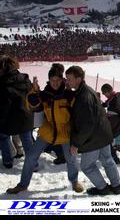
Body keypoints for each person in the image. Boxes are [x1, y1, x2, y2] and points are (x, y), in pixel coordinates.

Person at [6, 64, 84, 194]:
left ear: (62, 80)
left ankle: (74, 181)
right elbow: (34, 107)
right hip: (48, 130)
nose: (55, 83)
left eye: (58, 80)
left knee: (71, 158)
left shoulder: (68, 94)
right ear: (49, 80)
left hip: (65, 131)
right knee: (30, 156)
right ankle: (22, 184)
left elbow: (77, 112)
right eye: (53, 80)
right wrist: (34, 92)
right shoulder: (44, 94)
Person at [66, 66, 120, 196]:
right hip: (103, 134)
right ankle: (116, 186)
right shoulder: (86, 90)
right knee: (107, 160)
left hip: (93, 138)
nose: (67, 82)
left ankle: (102, 188)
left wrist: (76, 143)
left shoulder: (84, 96)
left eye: (69, 79)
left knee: (87, 166)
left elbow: (87, 124)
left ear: (79, 78)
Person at [0, 56, 34, 169]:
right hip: (26, 117)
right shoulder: (25, 78)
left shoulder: (3, 83)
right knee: (27, 141)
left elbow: (4, 106)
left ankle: (7, 161)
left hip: (11, 120)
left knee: (3, 137)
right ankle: (33, 164)